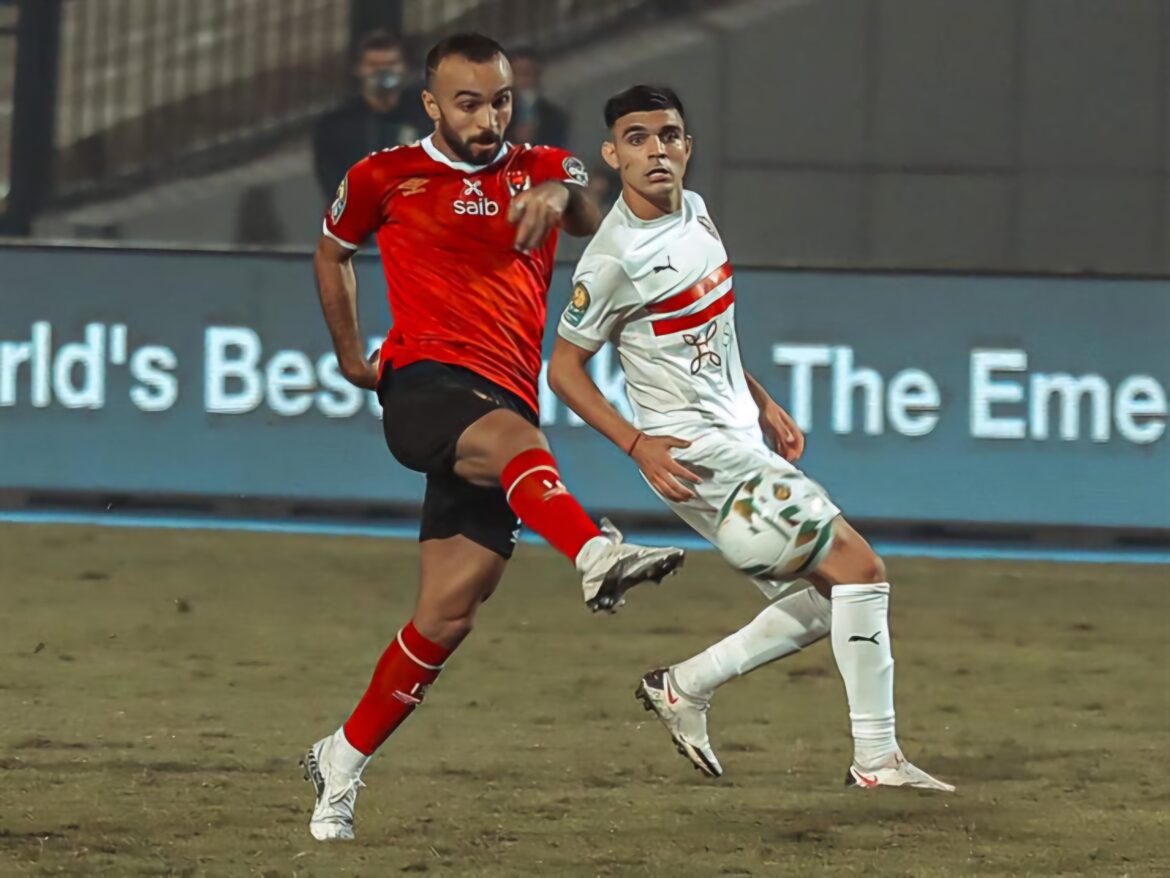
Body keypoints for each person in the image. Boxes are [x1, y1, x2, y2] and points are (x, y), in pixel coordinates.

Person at [303, 38, 686, 842]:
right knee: (516, 443)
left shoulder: (541, 164)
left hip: (503, 395)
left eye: (500, 100)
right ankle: (594, 554)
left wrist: (556, 192)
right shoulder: (382, 175)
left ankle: (340, 758)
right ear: (432, 105)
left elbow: (587, 206)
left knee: (448, 614)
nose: (488, 117)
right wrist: (350, 356)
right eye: (469, 102)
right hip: (425, 387)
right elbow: (333, 251)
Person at [547, 85, 953, 792]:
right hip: (694, 454)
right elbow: (563, 370)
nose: (656, 150)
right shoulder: (614, 258)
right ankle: (877, 760)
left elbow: (712, 335)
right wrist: (637, 445)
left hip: (738, 437)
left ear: (688, 146)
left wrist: (761, 402)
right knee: (862, 571)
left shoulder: (698, 213)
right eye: (637, 139)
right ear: (612, 155)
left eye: (669, 135)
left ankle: (684, 686)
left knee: (836, 593)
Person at [312, 31, 429, 201]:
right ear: (358, 69)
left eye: (391, 64)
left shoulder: (426, 116)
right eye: (373, 65)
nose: (382, 71)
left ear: (404, 67)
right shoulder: (336, 126)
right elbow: (332, 179)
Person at [504, 47, 569, 148]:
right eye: (519, 74)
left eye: (530, 73)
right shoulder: (497, 115)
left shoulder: (554, 116)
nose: (525, 80)